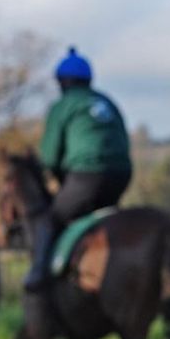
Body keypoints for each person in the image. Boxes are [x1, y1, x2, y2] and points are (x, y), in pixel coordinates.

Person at [25, 46, 133, 292]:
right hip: (121, 175)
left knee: (52, 220)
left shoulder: (64, 106)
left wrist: (60, 178)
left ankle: (39, 274)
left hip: (86, 177)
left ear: (62, 81)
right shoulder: (106, 101)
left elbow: (50, 157)